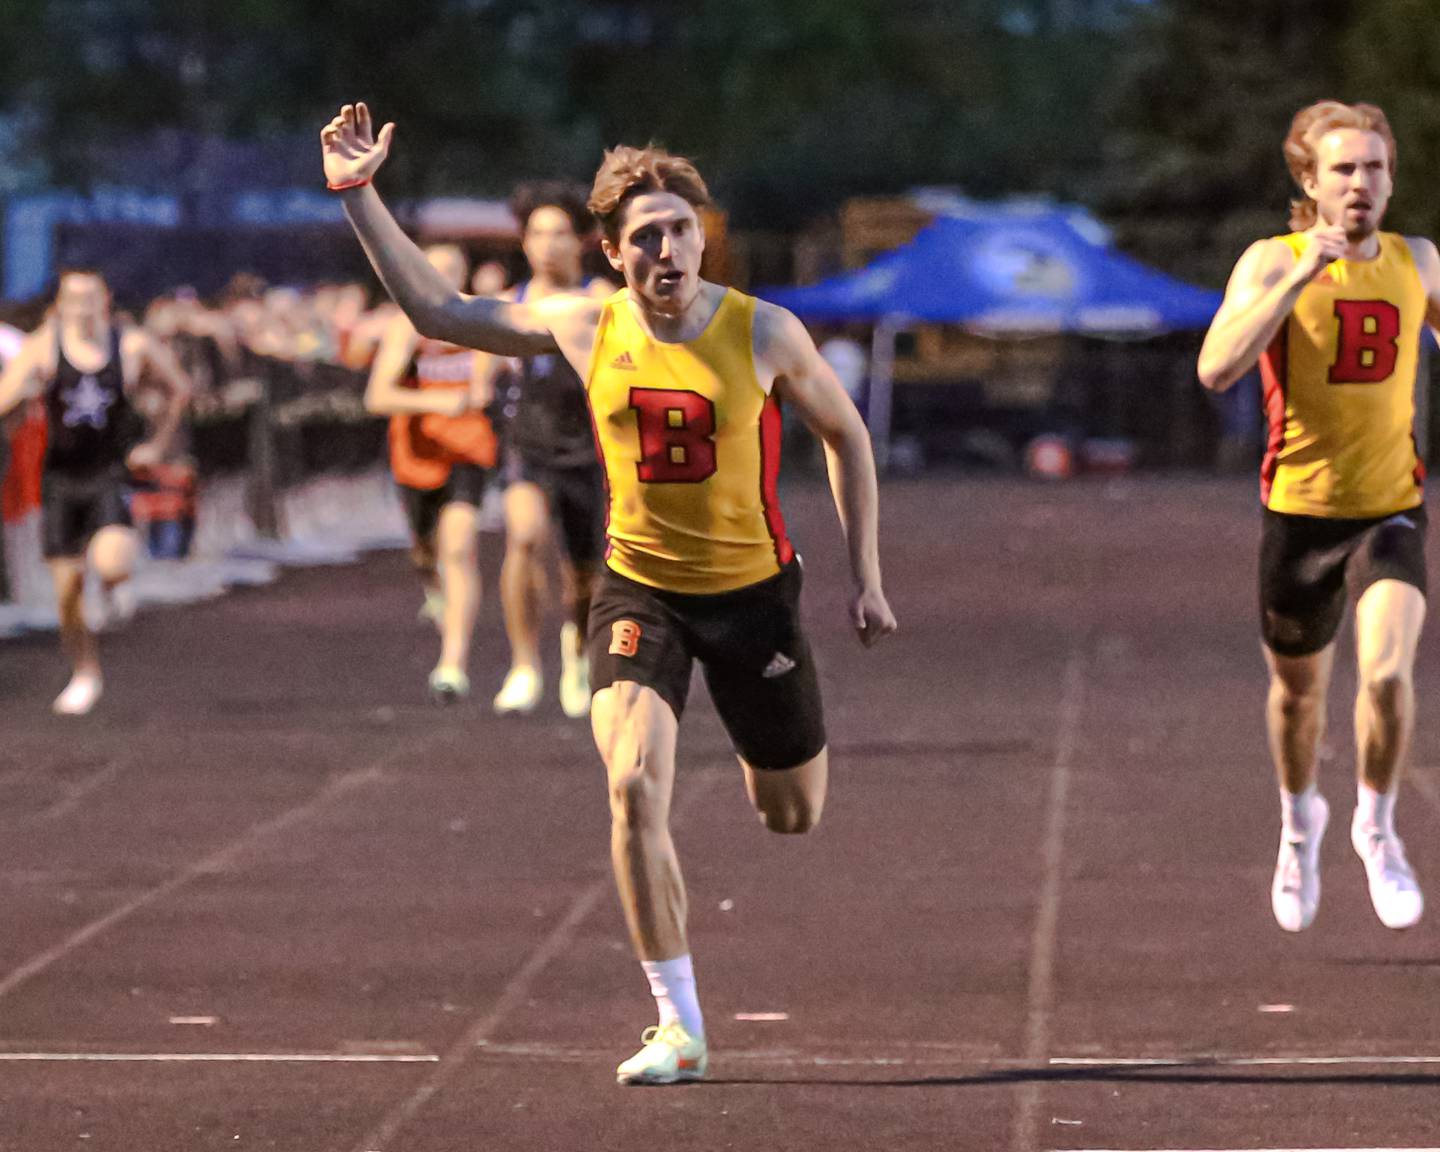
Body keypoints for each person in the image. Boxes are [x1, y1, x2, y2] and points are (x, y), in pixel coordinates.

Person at [322, 102, 896, 1082]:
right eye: (645, 236)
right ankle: (677, 1023)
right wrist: (359, 195)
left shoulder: (766, 333)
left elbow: (847, 437)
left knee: (791, 813)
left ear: (701, 236)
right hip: (642, 593)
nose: (667, 249)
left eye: (681, 229)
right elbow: (438, 314)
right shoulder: (588, 325)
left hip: (754, 596)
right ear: (612, 250)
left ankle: (766, 761)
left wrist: (867, 578)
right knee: (631, 784)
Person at [1198, 100, 1439, 933]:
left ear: (1391, 177)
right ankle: (1301, 824)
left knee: (1385, 675)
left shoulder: (1418, 261)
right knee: (1298, 699)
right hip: (1300, 517)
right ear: (1309, 179)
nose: (1361, 183)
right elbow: (1216, 367)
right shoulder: (1272, 260)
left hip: (1391, 511)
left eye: (1375, 168)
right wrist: (1303, 276)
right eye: (1343, 169)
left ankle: (1377, 827)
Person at [0, 268, 190, 714]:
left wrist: (157, 443)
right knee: (66, 593)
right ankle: (85, 671)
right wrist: (26, 390)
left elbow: (179, 388)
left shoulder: (131, 345)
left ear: (105, 300)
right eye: (73, 298)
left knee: (112, 562)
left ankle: (113, 583)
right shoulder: (44, 346)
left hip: (108, 473)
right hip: (60, 479)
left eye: (90, 297)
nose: (82, 307)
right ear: (61, 304)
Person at [485, 183, 612, 718]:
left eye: (560, 233)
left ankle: (578, 651)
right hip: (525, 444)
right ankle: (523, 664)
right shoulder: (507, 305)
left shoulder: (602, 298)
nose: (549, 244)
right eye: (538, 233)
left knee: (583, 572)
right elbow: (479, 371)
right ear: (524, 241)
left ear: (580, 240)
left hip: (585, 447)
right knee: (524, 535)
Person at [363, 243, 496, 703]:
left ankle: (452, 663)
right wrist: (435, 401)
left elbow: (490, 377)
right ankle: (431, 585)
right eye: (432, 271)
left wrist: (487, 383)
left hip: (469, 450)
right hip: (417, 456)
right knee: (425, 551)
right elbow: (376, 397)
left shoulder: (481, 321)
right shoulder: (407, 328)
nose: (441, 280)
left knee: (459, 546)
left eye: (452, 271)